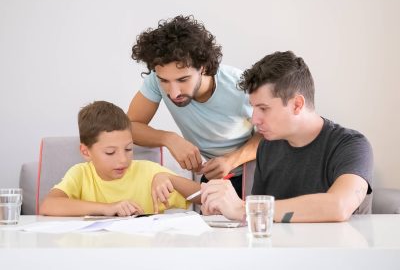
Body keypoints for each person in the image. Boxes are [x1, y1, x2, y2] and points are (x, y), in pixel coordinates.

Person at [200, 51, 373, 223]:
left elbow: (339, 206)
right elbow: (260, 220)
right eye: (253, 108)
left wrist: (243, 209)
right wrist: (222, 213)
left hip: (337, 249)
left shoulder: (351, 145)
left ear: (297, 104)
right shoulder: (266, 147)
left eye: (264, 108)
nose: (254, 119)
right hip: (280, 249)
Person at [128, 15, 262, 199]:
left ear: (203, 68)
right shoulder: (155, 80)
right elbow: (131, 126)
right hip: (212, 178)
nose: (173, 93)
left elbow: (272, 134)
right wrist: (169, 139)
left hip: (257, 174)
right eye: (164, 81)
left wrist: (232, 160)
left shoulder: (241, 86)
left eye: (183, 80)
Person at [39, 100, 200, 216]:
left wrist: (170, 178)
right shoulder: (80, 174)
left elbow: (205, 196)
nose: (123, 160)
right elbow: (48, 205)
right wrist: (108, 208)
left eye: (128, 149)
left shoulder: (149, 172)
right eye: (110, 152)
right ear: (86, 152)